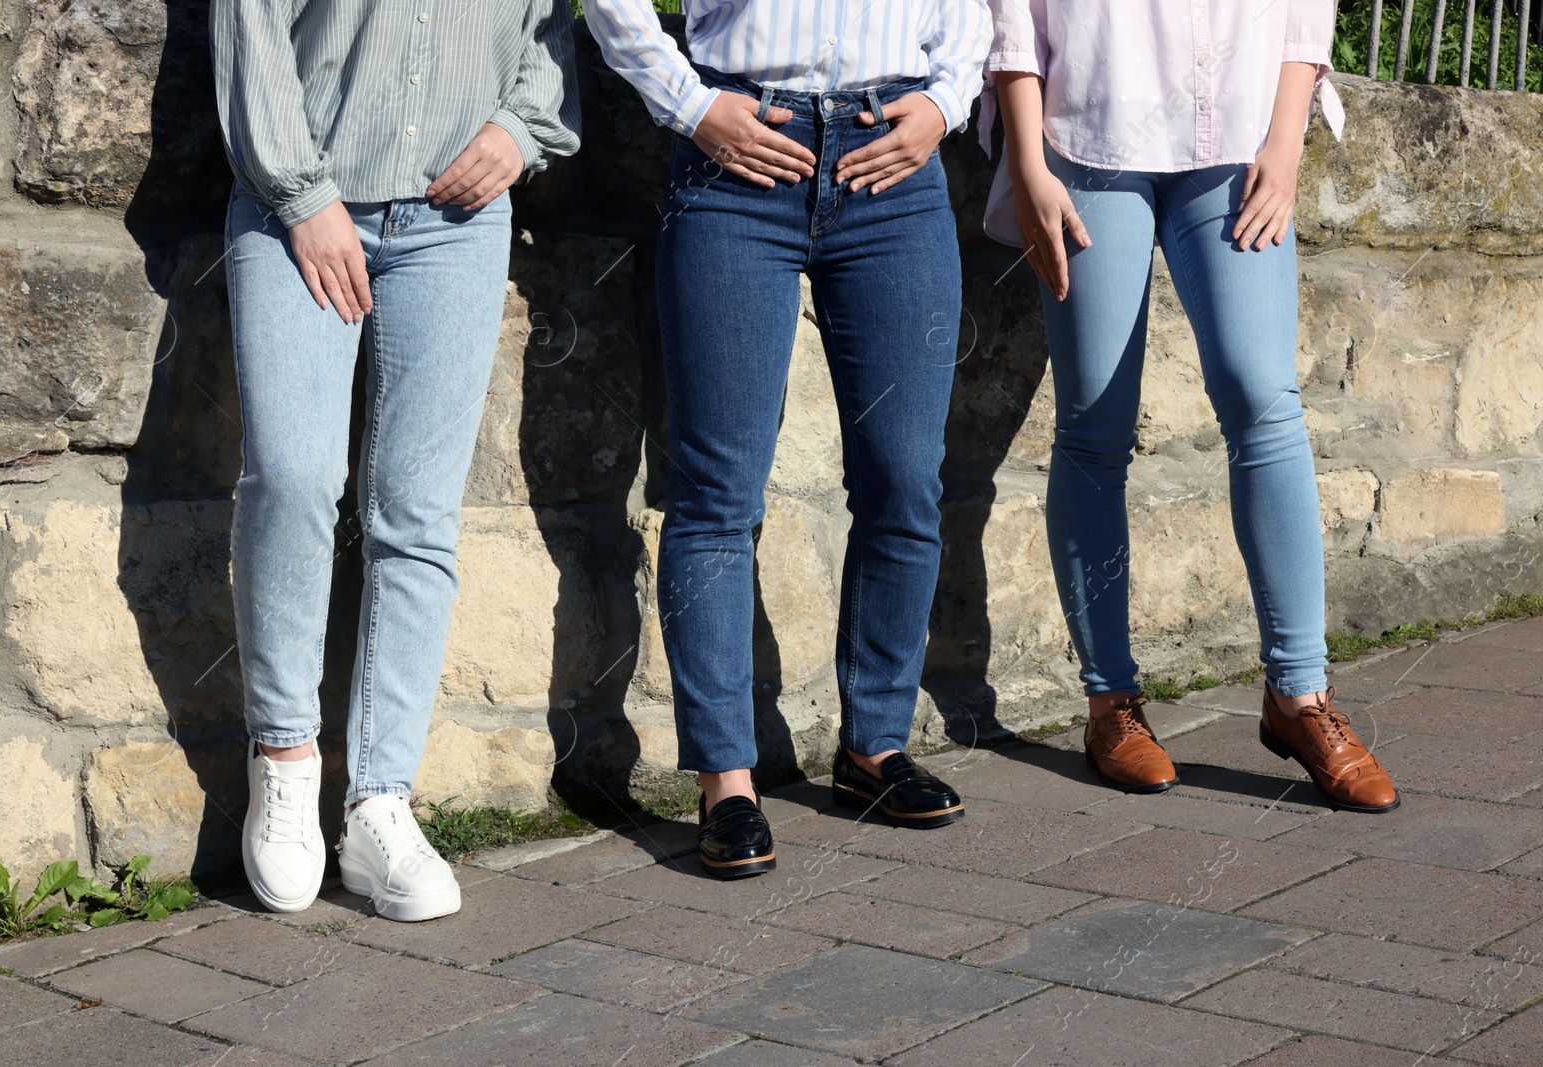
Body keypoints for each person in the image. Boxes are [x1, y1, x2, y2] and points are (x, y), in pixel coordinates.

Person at [581, 0, 994, 877]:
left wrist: (947, 99)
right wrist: (690, 106)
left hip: (893, 159)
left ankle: (873, 747)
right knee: (716, 492)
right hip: (739, 156)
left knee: (903, 477)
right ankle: (726, 780)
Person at [212, 0, 581, 920]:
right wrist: (303, 198)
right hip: (295, 206)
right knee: (293, 478)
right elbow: (249, 30)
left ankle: (381, 800)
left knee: (415, 514)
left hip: (457, 223)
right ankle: (287, 758)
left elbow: (556, 29)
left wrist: (516, 128)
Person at [984, 0, 1397, 812]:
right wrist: (1028, 160)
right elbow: (1012, 14)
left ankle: (1300, 695)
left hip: (1237, 132)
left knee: (1262, 395)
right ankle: (1111, 704)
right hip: (1089, 124)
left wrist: (1286, 142)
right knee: (1097, 420)